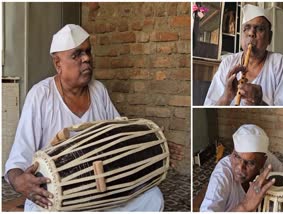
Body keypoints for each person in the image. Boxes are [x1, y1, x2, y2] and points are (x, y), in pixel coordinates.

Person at [4, 24, 164, 211]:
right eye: (77, 54)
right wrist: (18, 180)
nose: (86, 58)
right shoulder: (41, 96)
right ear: (58, 64)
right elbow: (17, 161)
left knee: (153, 198)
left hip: (101, 190)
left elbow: (118, 137)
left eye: (88, 52)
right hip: (58, 197)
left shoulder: (98, 91)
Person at [204, 4, 283, 106]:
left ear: (269, 37)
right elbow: (209, 106)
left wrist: (259, 103)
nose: (251, 33)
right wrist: (226, 96)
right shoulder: (228, 63)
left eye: (260, 29)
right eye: (246, 28)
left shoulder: (279, 63)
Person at [200, 124, 283, 212]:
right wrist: (244, 206)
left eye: (250, 163)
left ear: (262, 162)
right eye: (236, 157)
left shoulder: (267, 160)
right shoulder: (222, 173)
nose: (240, 168)